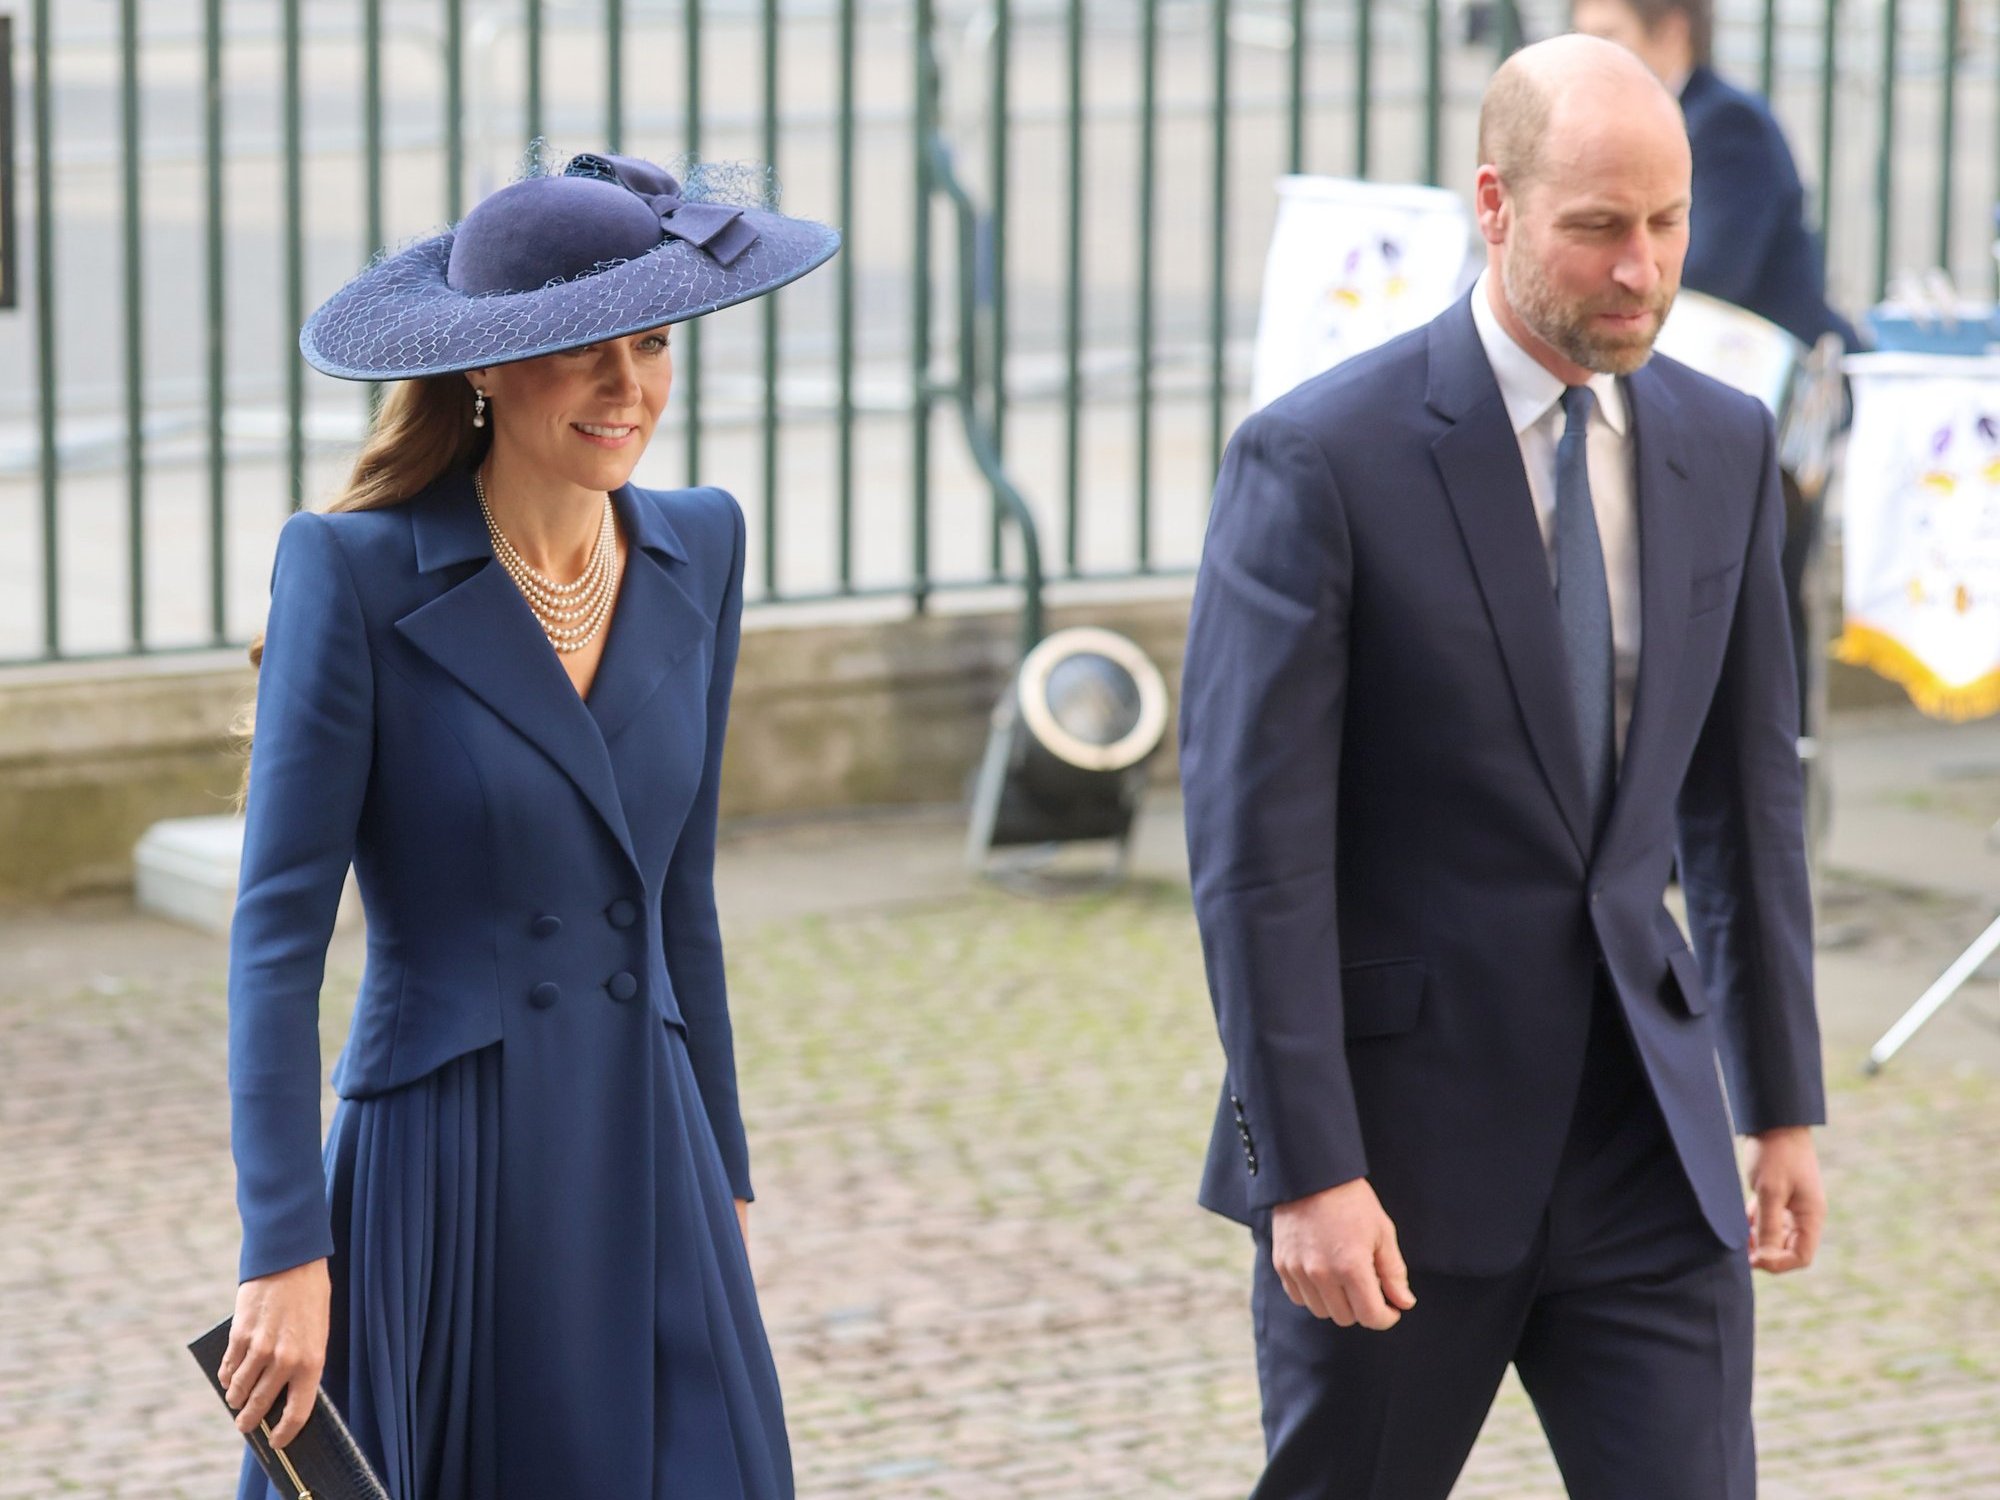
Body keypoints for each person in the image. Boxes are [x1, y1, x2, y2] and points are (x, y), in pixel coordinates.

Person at [1180, 36, 1826, 1498]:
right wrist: (1308, 1168)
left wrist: (1780, 1101)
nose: (1642, 270)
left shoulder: (1725, 445)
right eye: (1599, 225)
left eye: (1666, 224)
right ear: (1494, 203)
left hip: (1646, 1154)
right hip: (1398, 1166)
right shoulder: (1318, 460)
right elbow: (1253, 854)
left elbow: (1744, 804)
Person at [217, 151, 837, 1499]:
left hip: (648, 1141)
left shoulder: (703, 547)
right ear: (485, 368)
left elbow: (682, 900)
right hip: (448, 1159)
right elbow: (275, 941)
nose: (632, 392)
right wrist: (284, 1245)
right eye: (585, 353)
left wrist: (723, 1170)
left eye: (655, 345)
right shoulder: (354, 572)